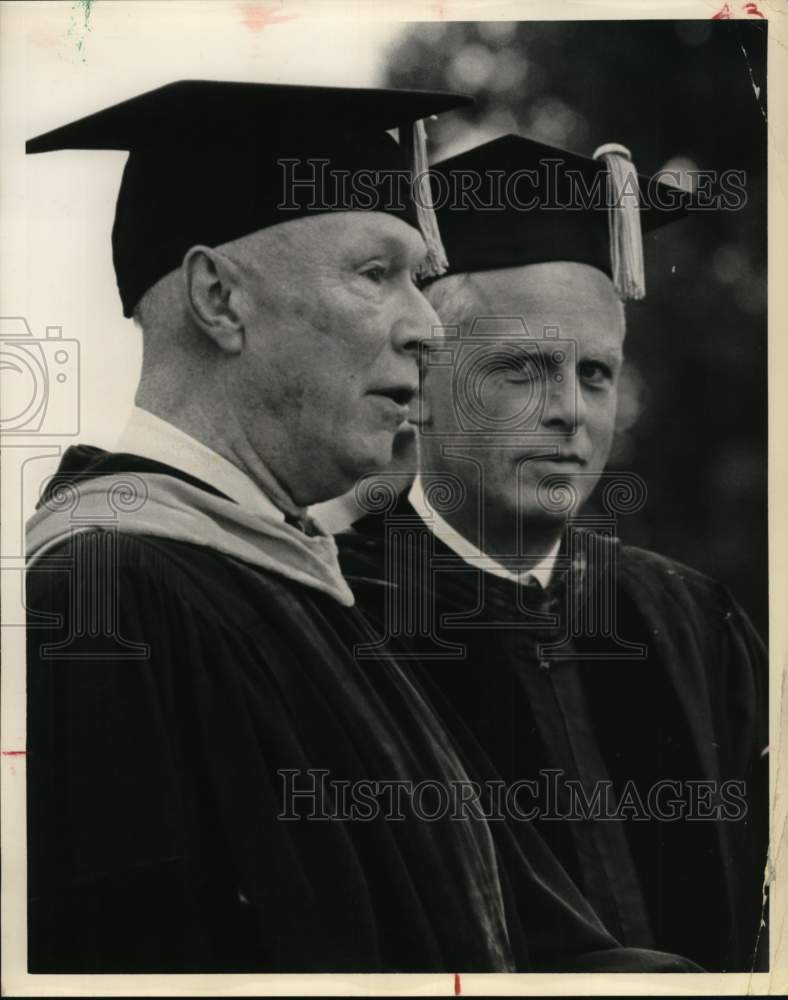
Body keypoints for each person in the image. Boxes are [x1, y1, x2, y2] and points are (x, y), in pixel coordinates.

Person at [24, 84, 702, 975]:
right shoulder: (108, 604)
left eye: (418, 281)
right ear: (219, 298)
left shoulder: (294, 585)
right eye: (376, 274)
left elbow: (520, 946)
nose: (425, 328)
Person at [338, 134, 769, 972]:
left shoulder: (691, 621)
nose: (570, 411)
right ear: (419, 389)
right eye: (523, 371)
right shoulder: (337, 616)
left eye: (596, 374)